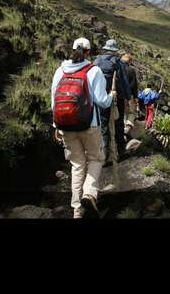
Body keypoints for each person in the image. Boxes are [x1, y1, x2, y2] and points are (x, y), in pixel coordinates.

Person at [51, 37, 115, 219]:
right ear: (89, 52)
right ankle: (89, 193)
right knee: (96, 158)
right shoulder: (94, 70)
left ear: (72, 50)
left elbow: (54, 100)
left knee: (77, 165)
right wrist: (111, 96)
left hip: (65, 125)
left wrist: (56, 125)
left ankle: (77, 210)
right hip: (90, 125)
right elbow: (102, 101)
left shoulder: (60, 71)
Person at [94, 39, 132, 162]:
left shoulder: (97, 61)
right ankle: (121, 151)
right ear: (115, 50)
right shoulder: (119, 63)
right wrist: (128, 97)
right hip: (117, 96)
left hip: (101, 97)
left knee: (103, 125)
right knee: (119, 123)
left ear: (106, 48)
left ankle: (105, 156)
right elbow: (125, 81)